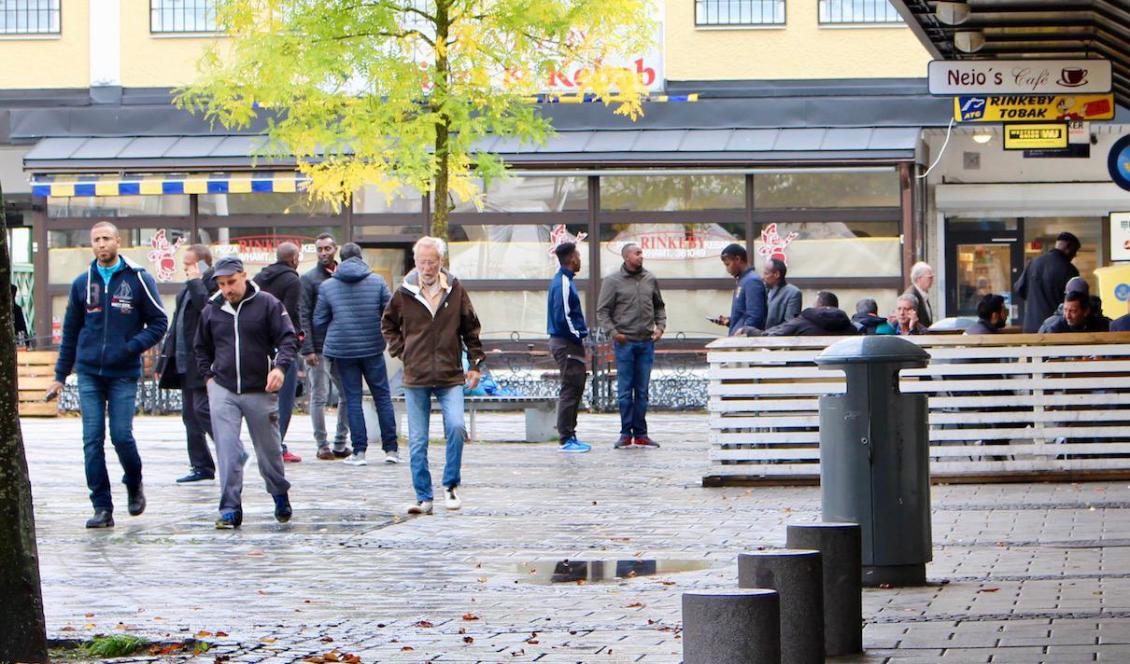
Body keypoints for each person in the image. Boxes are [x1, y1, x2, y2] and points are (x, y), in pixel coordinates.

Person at [45, 221, 168, 528]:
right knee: (92, 439)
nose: (101, 244)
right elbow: (71, 332)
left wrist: (131, 348)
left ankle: (134, 481)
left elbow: (159, 323)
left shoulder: (139, 279)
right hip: (89, 372)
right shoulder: (82, 283)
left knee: (121, 436)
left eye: (106, 239)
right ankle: (102, 507)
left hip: (124, 373)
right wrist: (60, 375)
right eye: (96, 240)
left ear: (118, 241)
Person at [382, 237, 484, 515]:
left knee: (455, 427)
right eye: (422, 262)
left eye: (432, 262)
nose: (427, 267)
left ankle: (450, 484)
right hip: (416, 374)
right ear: (415, 262)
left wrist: (475, 364)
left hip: (450, 373)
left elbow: (471, 328)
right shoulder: (404, 292)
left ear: (441, 262)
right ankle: (423, 497)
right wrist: (402, 351)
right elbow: (388, 324)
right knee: (417, 439)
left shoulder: (454, 288)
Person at [195, 256, 297, 529]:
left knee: (269, 451)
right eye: (222, 283)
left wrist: (279, 368)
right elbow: (201, 347)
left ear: (243, 275)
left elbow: (288, 338)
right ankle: (230, 508)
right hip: (223, 388)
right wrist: (209, 378)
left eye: (231, 282)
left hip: (259, 388)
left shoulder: (267, 304)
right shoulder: (212, 309)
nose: (227, 289)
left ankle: (279, 493)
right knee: (227, 450)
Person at [314, 242, 399, 466]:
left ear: (340, 259)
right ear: (361, 258)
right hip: (372, 347)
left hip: (343, 350)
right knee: (382, 396)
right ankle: (391, 449)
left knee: (353, 399)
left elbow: (319, 320)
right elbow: (390, 312)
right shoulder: (377, 281)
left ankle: (359, 452)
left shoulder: (328, 286)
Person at [157, 244, 218, 483]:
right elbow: (176, 324)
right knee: (189, 415)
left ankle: (230, 449)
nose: (185, 269)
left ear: (202, 264)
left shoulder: (213, 285)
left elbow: (207, 310)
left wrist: (196, 281)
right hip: (183, 360)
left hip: (202, 361)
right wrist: (164, 359)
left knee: (202, 409)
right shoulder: (187, 288)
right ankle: (201, 465)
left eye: (189, 264)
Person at [596, 243, 666, 449]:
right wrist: (614, 333)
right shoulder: (612, 281)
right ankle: (626, 433)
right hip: (625, 343)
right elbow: (602, 311)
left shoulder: (650, 279)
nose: (641, 256)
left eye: (641, 253)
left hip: (646, 342)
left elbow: (659, 306)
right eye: (637, 253)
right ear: (626, 257)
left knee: (642, 391)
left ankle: (642, 434)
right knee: (625, 391)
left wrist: (660, 327)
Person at [299, 233, 351, 460]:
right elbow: (303, 315)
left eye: (327, 249)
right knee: (319, 396)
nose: (323, 253)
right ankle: (322, 444)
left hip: (341, 344)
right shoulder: (309, 279)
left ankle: (341, 442)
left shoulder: (344, 275)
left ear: (335, 249)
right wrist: (308, 349)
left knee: (347, 393)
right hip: (318, 347)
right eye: (319, 249)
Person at [253, 242, 304, 463]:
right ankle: (277, 446)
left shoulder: (259, 277)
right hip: (282, 345)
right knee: (284, 398)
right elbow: (290, 312)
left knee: (262, 399)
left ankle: (268, 444)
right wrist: (297, 338)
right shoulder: (292, 279)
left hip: (259, 345)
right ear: (293, 258)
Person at [547, 242, 591, 453]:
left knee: (575, 387)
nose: (580, 259)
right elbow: (563, 315)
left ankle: (570, 434)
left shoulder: (565, 281)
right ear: (572, 258)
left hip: (568, 342)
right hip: (566, 342)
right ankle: (566, 438)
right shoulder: (563, 283)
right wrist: (578, 335)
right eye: (579, 255)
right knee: (570, 388)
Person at [1015, 232, 1080, 333]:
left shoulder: (1034, 263)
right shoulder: (1070, 270)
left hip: (1031, 327)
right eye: (1075, 251)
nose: (1075, 255)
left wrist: (1035, 300)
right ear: (1068, 246)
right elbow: (1075, 301)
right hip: (1056, 328)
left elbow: (1019, 289)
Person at [739, 291, 856, 337]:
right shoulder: (850, 327)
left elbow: (771, 337)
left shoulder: (803, 321)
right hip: (840, 376)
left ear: (818, 305)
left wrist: (748, 330)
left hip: (803, 373)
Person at [710, 244, 766, 335]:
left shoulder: (752, 281)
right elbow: (743, 314)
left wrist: (741, 336)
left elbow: (755, 317)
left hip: (744, 343)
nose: (727, 269)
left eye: (728, 264)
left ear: (737, 259)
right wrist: (729, 321)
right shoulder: (743, 280)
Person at [1039, 277, 1110, 333]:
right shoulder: (1051, 327)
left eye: (1073, 311)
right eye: (1065, 310)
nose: (1067, 316)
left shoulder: (1101, 324)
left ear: (1086, 311)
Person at [763, 258, 802, 329]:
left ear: (777, 274)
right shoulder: (765, 290)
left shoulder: (793, 293)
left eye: (766, 274)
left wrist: (765, 333)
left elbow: (789, 323)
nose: (763, 277)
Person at [902, 262, 935, 330]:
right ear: (918, 279)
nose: (932, 280)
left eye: (932, 277)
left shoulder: (923, 294)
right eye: (929, 277)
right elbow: (907, 321)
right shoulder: (911, 295)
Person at [11, 284, 30, 348]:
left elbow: (22, 326)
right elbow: (23, 326)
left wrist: (27, 342)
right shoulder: (17, 309)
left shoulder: (17, 309)